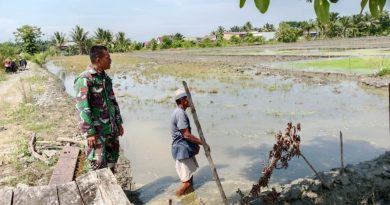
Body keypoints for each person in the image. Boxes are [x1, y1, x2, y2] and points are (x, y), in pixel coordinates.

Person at [74, 45, 124, 173]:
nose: (110, 60)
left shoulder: (105, 78)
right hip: (97, 132)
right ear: (98, 59)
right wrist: (89, 132)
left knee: (112, 159)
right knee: (98, 164)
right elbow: (82, 107)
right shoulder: (85, 79)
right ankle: (98, 190)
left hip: (111, 128)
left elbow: (113, 101)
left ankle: (112, 188)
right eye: (108, 57)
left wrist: (118, 123)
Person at [170, 89, 209, 197]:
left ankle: (190, 199)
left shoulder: (179, 112)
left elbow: (185, 136)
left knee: (190, 179)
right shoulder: (180, 114)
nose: (190, 100)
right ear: (182, 100)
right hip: (181, 150)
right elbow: (186, 135)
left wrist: (195, 145)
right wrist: (203, 143)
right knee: (186, 183)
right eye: (188, 98)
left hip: (183, 149)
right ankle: (174, 198)